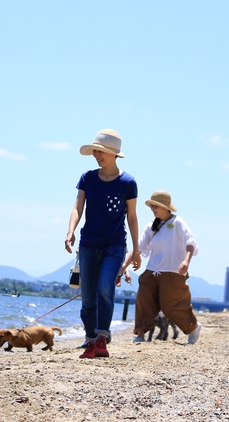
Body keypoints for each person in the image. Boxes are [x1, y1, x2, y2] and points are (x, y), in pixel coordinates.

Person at [65, 129, 141, 359]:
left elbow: (133, 217)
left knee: (104, 289)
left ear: (114, 153)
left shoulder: (128, 182)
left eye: (101, 151)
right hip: (88, 244)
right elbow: (77, 207)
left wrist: (136, 250)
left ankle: (101, 338)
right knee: (88, 297)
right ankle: (90, 339)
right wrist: (71, 231)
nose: (97, 155)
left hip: (115, 245)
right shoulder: (87, 178)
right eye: (95, 151)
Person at [126, 190, 202, 345]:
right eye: (152, 206)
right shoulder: (150, 226)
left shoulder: (178, 223)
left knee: (171, 307)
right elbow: (138, 248)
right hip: (152, 271)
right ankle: (140, 333)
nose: (153, 209)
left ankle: (193, 328)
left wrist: (186, 261)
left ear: (166, 207)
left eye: (156, 206)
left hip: (173, 272)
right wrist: (123, 267)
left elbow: (190, 244)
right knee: (143, 300)